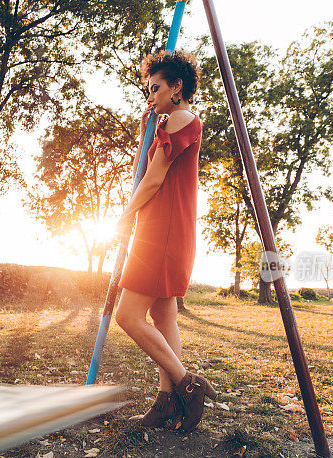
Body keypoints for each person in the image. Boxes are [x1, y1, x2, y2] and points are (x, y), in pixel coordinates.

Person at [113, 50, 215, 432]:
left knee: (128, 316)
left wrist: (124, 216)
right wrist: (148, 128)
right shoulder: (169, 121)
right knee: (163, 315)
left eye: (156, 88)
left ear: (178, 86)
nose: (150, 95)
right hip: (165, 226)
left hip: (163, 232)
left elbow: (153, 179)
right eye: (147, 89)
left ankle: (188, 385)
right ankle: (167, 399)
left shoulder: (181, 118)